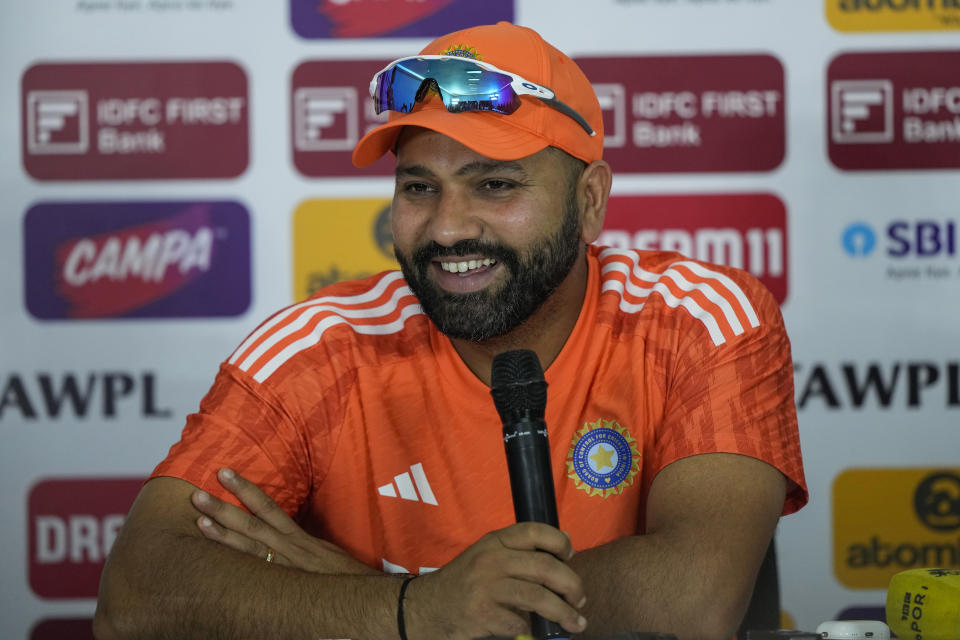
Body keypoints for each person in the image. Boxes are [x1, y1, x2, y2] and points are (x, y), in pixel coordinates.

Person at [94, 21, 807, 640]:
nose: (447, 226)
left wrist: (389, 604)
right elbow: (134, 597)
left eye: (495, 184)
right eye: (417, 186)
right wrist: (419, 609)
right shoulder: (318, 349)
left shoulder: (701, 319)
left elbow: (693, 599)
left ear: (589, 203)